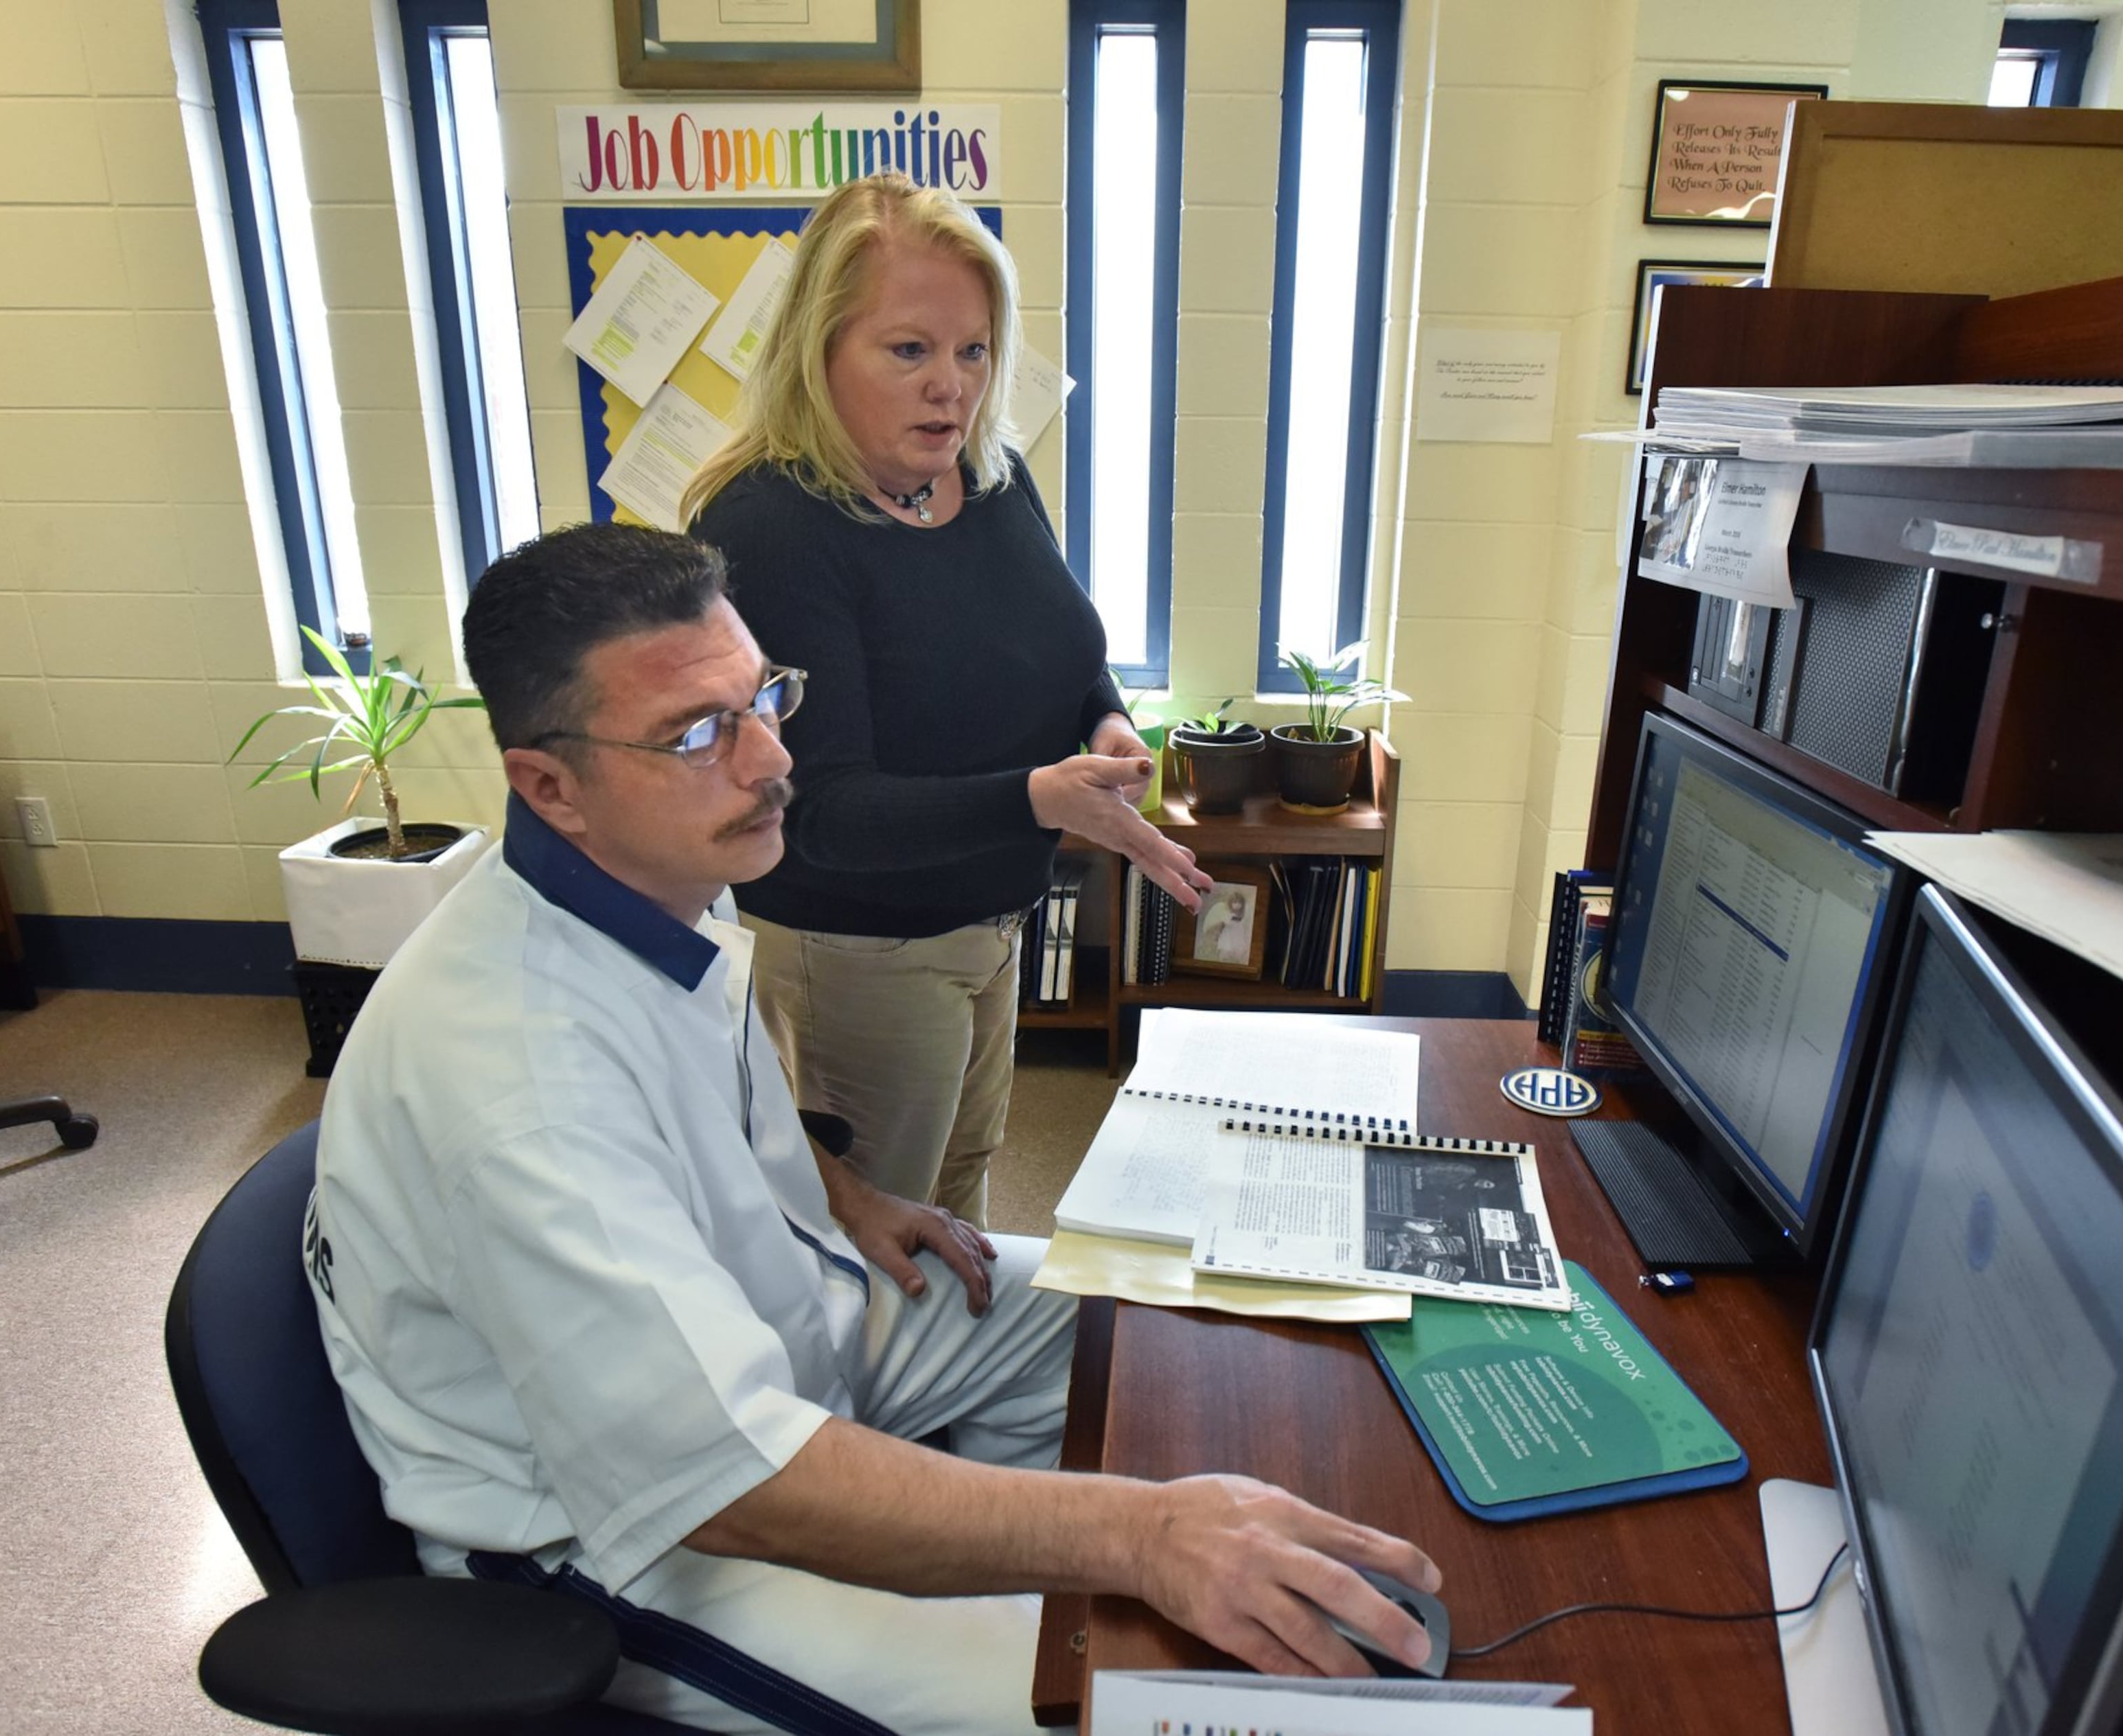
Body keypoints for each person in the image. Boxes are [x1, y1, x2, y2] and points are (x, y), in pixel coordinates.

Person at [306, 522, 1438, 1736]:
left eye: (763, 699)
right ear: (549, 786)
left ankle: (1107, 1543)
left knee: (1134, 1311)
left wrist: (839, 1192)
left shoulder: (652, 870)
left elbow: (703, 1095)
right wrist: (1144, 1536)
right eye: (697, 732)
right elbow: (732, 1473)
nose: (767, 761)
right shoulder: (515, 1076)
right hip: (625, 1529)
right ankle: (1095, 1577)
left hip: (779, 1329)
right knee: (1101, 1700)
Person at [682, 173, 1206, 1231]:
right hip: (860, 951)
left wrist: (1099, 719)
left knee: (962, 1194)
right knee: (879, 1234)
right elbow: (822, 808)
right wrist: (1041, 799)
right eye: (909, 350)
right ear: (818, 350)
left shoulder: (992, 473)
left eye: (973, 352)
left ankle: (939, 1404)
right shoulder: (775, 525)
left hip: (989, 924)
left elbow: (1062, 645)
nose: (951, 388)